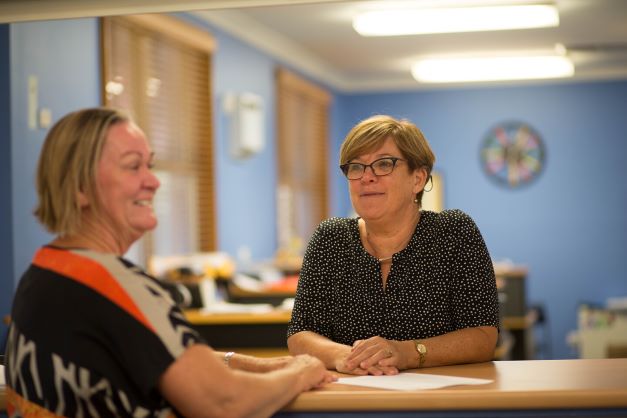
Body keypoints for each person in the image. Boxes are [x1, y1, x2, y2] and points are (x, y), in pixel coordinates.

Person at [4, 107, 335, 418]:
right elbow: (224, 401)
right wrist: (302, 372)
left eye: (150, 164)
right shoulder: (115, 285)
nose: (154, 181)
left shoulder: (45, 272)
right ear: (79, 187)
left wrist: (258, 365)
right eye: (134, 166)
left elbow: (162, 355)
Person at [287, 115, 499, 376]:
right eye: (356, 167)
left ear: (418, 179)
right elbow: (301, 334)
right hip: (350, 400)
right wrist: (348, 356)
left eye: (384, 164)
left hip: (440, 400)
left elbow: (483, 336)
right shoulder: (330, 238)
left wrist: (406, 353)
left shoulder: (453, 231)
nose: (366, 177)